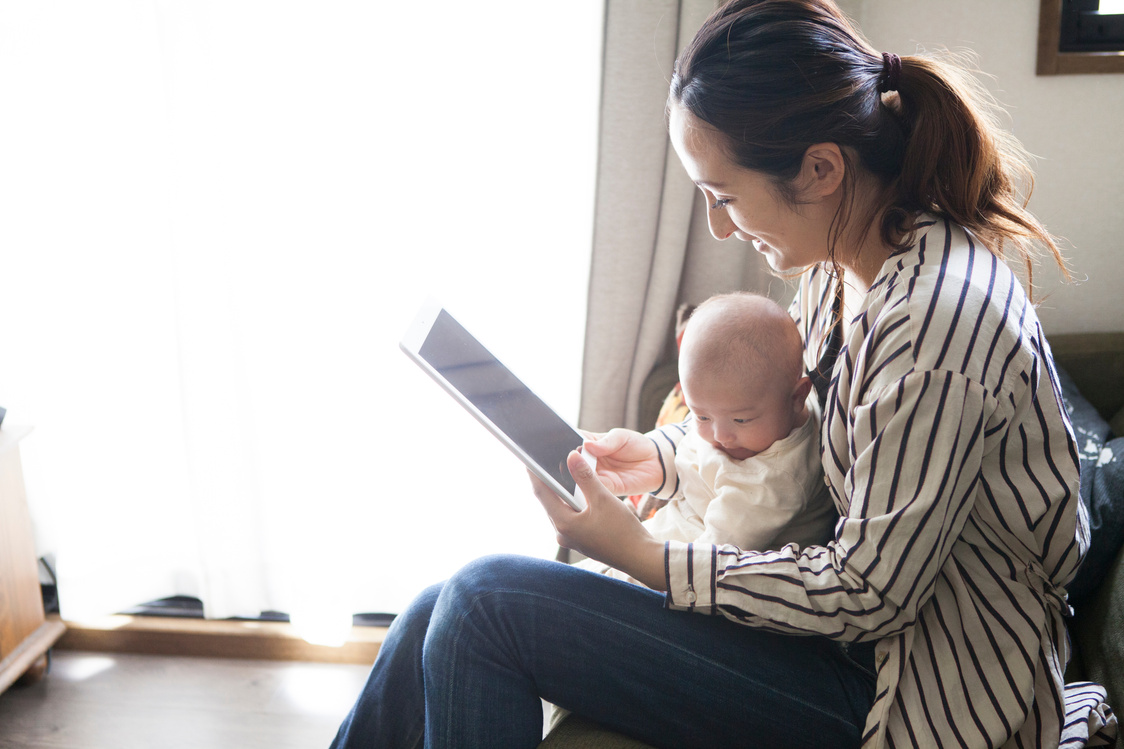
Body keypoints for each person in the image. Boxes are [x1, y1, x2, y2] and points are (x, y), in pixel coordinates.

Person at [330, 1, 1115, 747]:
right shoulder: (850, 269)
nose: (718, 223)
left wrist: (644, 555)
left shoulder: (935, 319)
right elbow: (781, 427)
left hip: (909, 699)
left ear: (820, 168)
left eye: (724, 195)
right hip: (847, 655)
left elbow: (870, 591)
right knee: (445, 602)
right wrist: (666, 455)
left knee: (483, 601)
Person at [603, 291, 837, 560]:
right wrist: (653, 451)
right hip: (664, 534)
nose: (720, 436)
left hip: (682, 572)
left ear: (797, 397)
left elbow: (708, 560)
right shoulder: (756, 421)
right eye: (701, 416)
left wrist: (623, 547)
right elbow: (691, 452)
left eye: (741, 420)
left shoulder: (772, 483)